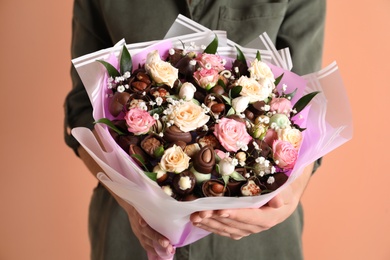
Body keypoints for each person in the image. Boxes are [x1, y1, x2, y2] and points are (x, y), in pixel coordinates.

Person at [64, 1, 325, 259]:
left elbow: (307, 112)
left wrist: (288, 198)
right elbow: (82, 109)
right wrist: (129, 201)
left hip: (256, 242)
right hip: (130, 231)